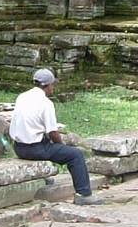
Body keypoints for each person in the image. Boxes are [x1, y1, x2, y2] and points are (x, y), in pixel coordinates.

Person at [10, 68, 103, 205]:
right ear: (47, 85)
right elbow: (53, 132)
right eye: (53, 85)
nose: (53, 88)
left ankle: (46, 177)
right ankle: (83, 194)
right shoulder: (46, 103)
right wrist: (61, 145)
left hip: (18, 147)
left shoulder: (22, 97)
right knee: (75, 155)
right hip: (34, 148)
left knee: (51, 147)